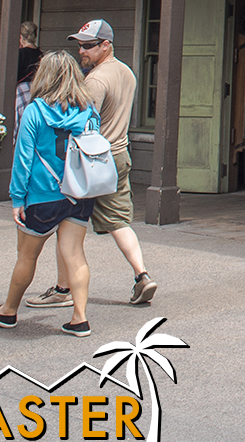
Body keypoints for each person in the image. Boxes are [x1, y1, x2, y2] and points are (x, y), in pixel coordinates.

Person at [27, 20, 155, 310]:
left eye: (87, 45)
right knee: (119, 221)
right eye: (79, 44)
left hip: (92, 160)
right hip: (120, 155)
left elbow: (82, 123)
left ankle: (63, 289)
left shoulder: (95, 81)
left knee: (67, 224)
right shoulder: (127, 72)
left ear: (106, 45)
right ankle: (142, 274)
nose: (81, 51)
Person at [0, 50, 99, 337]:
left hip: (43, 194)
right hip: (78, 192)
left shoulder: (35, 110)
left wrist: (17, 198)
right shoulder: (88, 110)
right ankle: (79, 318)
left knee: (26, 256)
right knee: (75, 254)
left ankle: (8, 310)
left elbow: (23, 157)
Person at [14, 22, 41, 128]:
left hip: (21, 91)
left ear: (20, 37)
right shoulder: (40, 53)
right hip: (37, 90)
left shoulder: (20, 53)